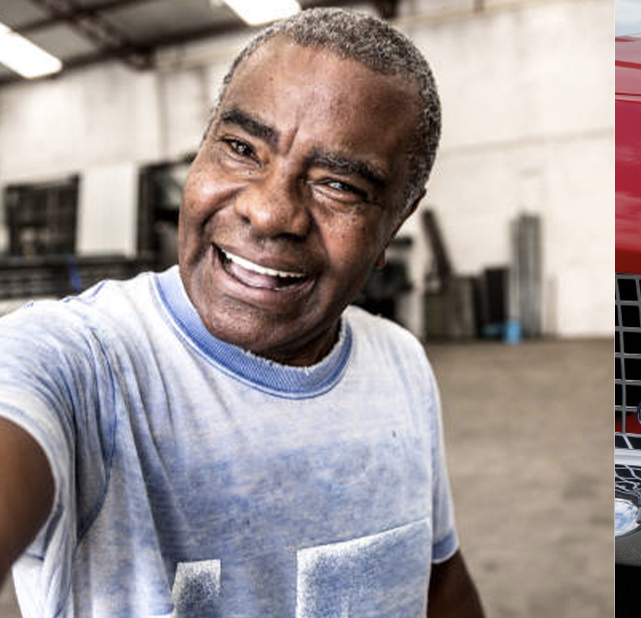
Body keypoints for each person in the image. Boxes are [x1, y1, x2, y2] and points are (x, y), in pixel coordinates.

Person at [0, 8, 484, 617]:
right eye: (240, 147)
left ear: (396, 223)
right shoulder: (78, 363)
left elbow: (439, 583)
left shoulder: (401, 364)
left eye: (339, 184)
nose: (270, 211)